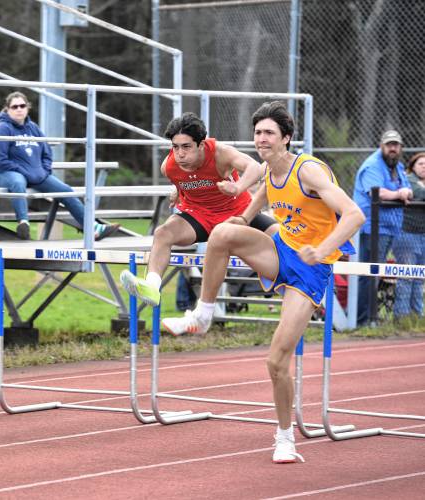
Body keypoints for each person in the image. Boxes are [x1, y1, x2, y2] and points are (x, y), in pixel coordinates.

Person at [161, 101, 365, 463]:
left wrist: (323, 249)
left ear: (286, 138)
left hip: (311, 268)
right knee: (223, 233)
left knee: (275, 361)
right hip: (282, 251)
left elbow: (354, 214)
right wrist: (233, 216)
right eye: (257, 132)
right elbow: (252, 209)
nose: (261, 139)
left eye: (269, 133)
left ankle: (285, 437)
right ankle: (203, 314)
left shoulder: (310, 171)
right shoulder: (270, 172)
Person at [119, 111, 276, 305]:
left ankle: (311, 290)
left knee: (280, 236)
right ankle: (152, 287)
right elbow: (184, 181)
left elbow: (255, 167)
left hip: (237, 216)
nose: (180, 154)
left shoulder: (220, 153)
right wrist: (178, 192)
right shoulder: (168, 166)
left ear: (201, 145)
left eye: (186, 147)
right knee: (163, 233)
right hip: (200, 218)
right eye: (175, 147)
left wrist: (237, 187)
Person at [0, 91, 119, 240]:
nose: (19, 109)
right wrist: (26, 171)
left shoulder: (33, 128)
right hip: (5, 173)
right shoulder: (2, 129)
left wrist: (44, 170)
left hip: (36, 174)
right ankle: (23, 222)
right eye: (14, 106)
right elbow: (0, 161)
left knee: (66, 191)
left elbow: (47, 153)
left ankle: (94, 228)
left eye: (22, 105)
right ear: (7, 109)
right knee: (18, 182)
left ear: (27, 108)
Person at [353, 130, 412, 326]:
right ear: (382, 146)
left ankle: (370, 317)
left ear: (400, 147)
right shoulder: (373, 165)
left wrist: (405, 191)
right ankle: (362, 319)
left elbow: (407, 189)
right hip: (372, 228)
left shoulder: (398, 166)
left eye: (396, 145)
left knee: (375, 274)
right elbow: (376, 192)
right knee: (368, 274)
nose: (393, 148)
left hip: (389, 228)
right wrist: (400, 193)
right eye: (389, 145)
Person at [392, 152, 425, 319]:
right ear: (413, 167)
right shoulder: (408, 180)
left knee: (419, 278)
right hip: (406, 234)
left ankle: (417, 316)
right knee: (406, 276)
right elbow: (416, 193)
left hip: (423, 235)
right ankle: (402, 317)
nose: (424, 167)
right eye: (420, 164)